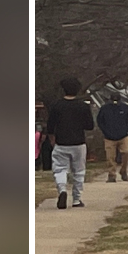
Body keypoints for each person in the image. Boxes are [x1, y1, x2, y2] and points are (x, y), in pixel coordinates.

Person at [44, 77, 96, 209]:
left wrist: (52, 139)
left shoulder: (56, 105)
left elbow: (50, 126)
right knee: (79, 171)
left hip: (61, 142)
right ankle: (76, 199)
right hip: (78, 143)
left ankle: (62, 190)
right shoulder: (83, 106)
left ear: (63, 89)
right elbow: (90, 125)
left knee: (60, 169)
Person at [95, 91, 128, 183]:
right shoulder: (104, 108)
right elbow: (100, 121)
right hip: (109, 137)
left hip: (124, 136)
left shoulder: (125, 107)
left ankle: (123, 170)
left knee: (126, 152)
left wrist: (126, 130)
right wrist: (105, 131)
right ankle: (111, 175)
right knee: (110, 157)